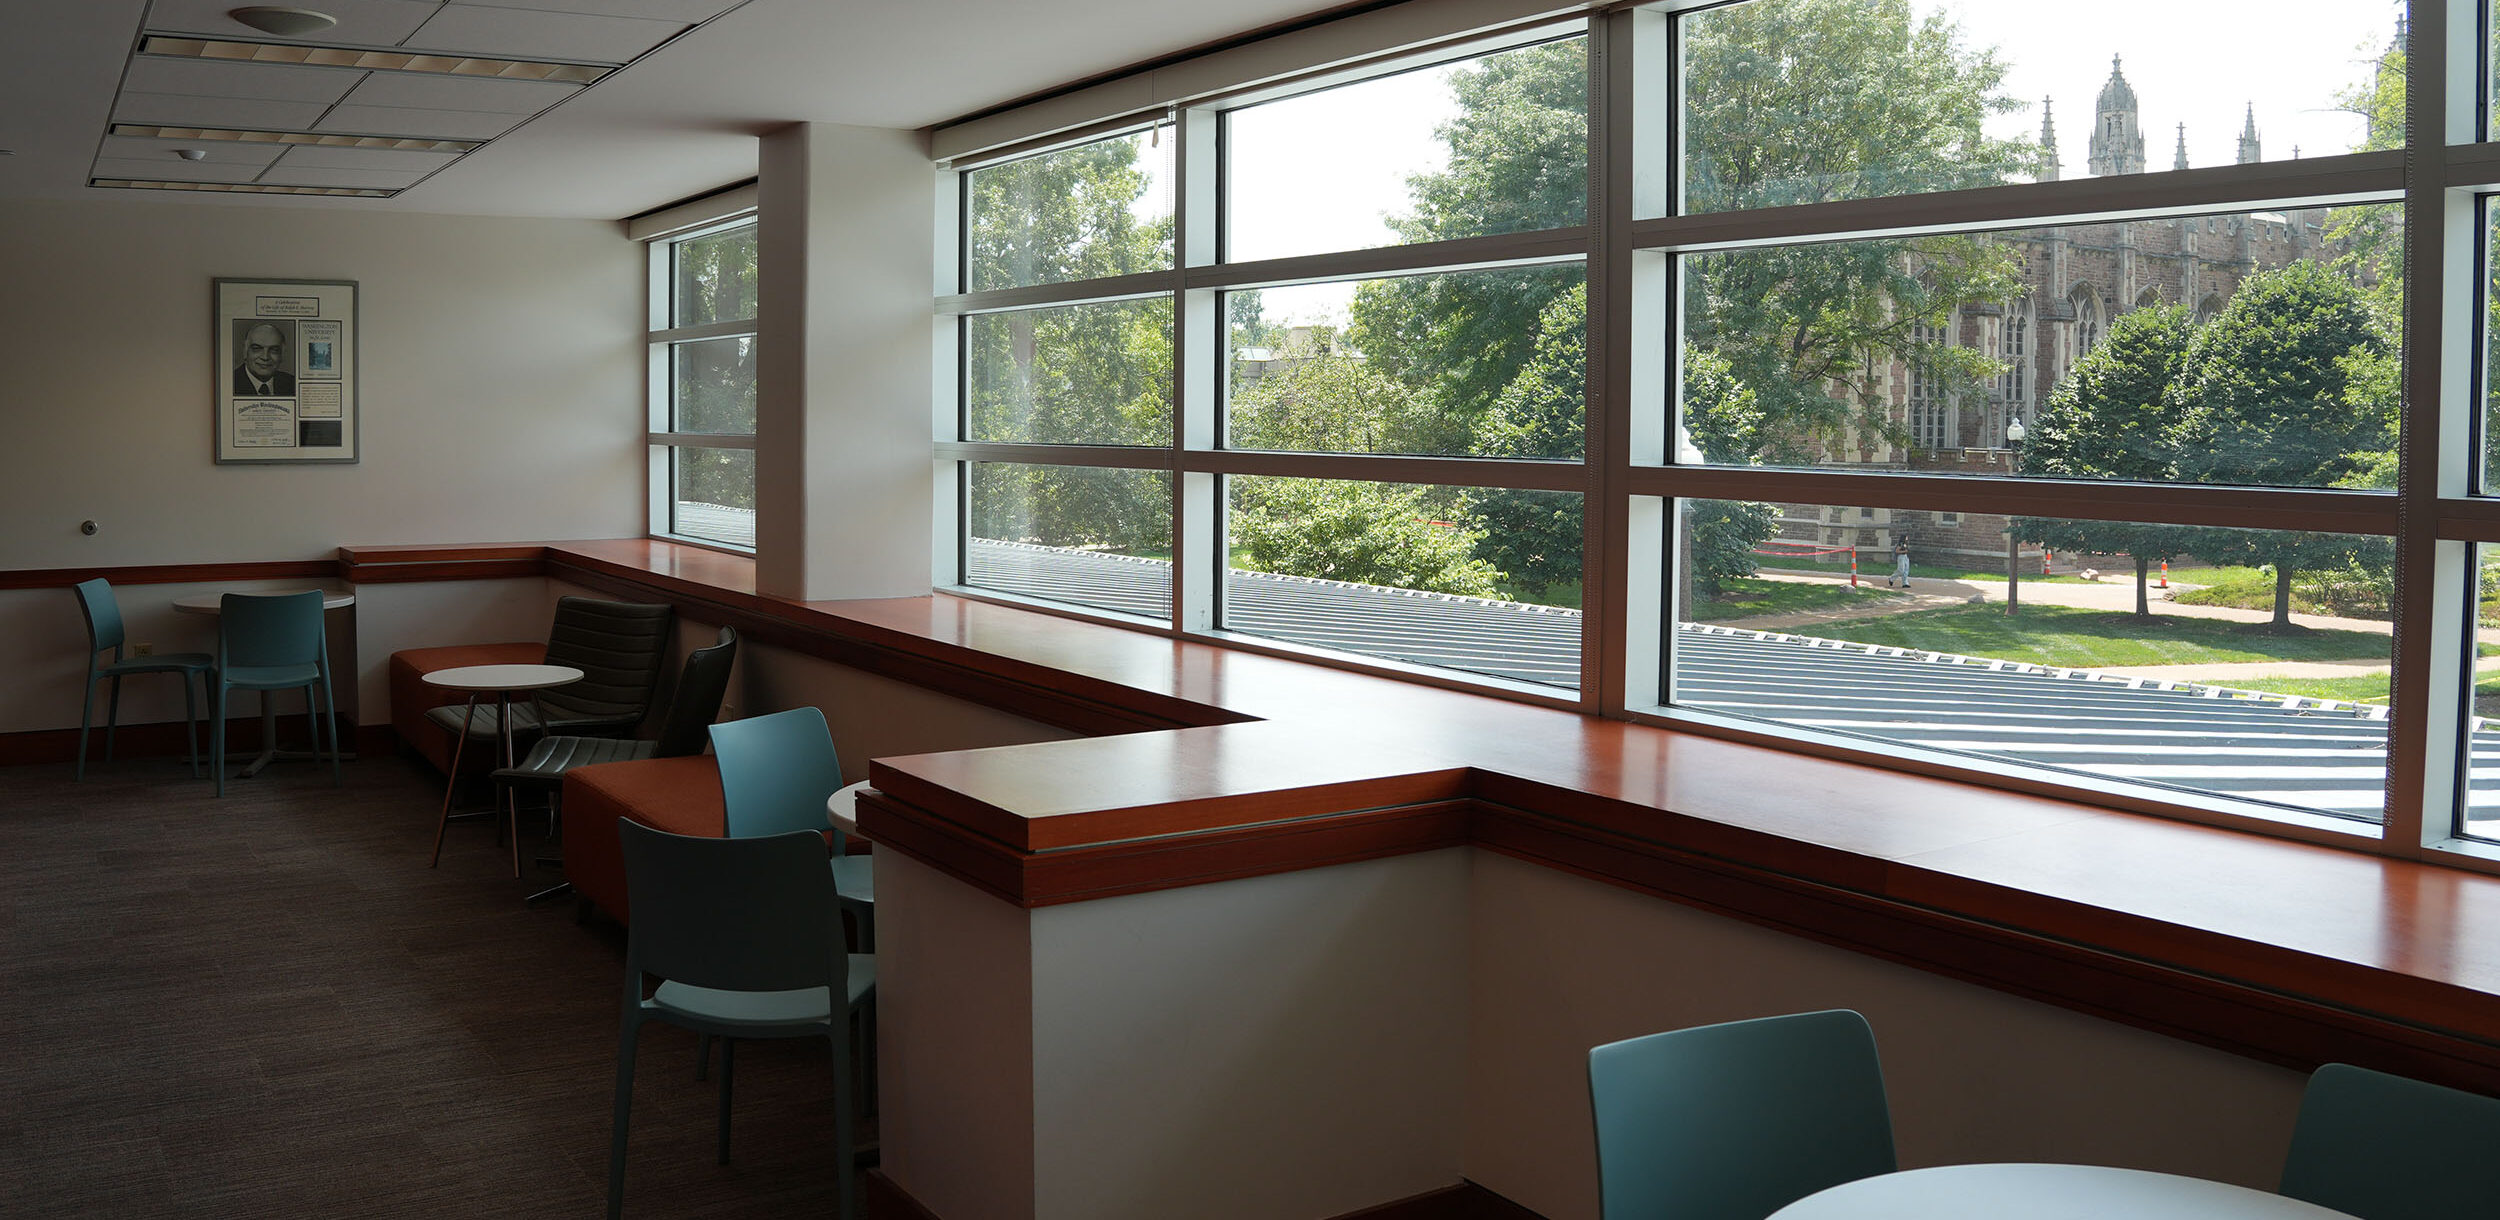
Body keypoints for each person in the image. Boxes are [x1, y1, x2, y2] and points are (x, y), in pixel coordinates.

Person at [232, 322, 295, 397]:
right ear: (245, 351)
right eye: (257, 349)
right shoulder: (230, 382)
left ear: (282, 354)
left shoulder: (292, 384)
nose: (265, 357)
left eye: (274, 350)